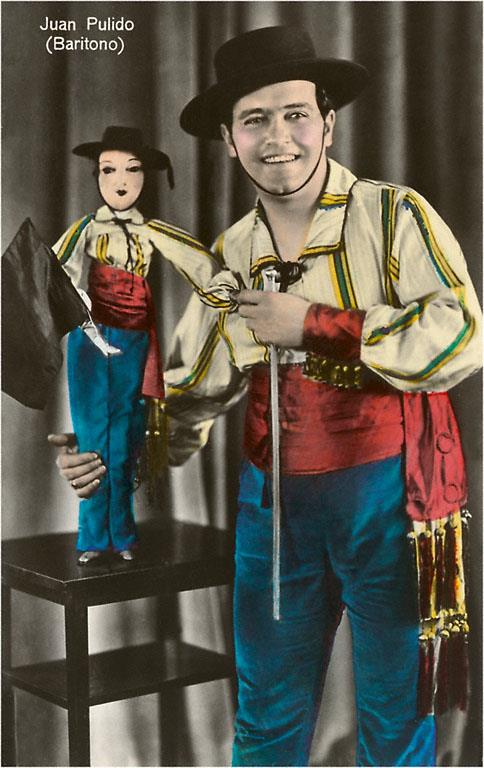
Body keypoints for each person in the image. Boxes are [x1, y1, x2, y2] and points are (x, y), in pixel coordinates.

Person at [50, 27, 481, 767]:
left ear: (328, 123)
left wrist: (316, 324)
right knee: (265, 726)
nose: (278, 138)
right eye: (254, 120)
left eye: (295, 115)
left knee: (395, 725)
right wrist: (108, 449)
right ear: (228, 139)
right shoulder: (230, 253)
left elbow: (461, 334)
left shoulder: (393, 215)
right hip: (274, 515)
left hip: (388, 502)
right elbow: (192, 390)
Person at [48, 126, 218, 565]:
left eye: (132, 169)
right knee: (92, 437)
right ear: (97, 177)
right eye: (109, 170)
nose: (120, 180)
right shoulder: (86, 229)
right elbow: (53, 270)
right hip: (90, 338)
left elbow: (200, 265)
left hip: (135, 338)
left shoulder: (152, 231)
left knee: (125, 437)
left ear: (145, 177)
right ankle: (92, 537)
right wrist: (77, 302)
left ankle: (122, 535)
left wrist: (225, 290)